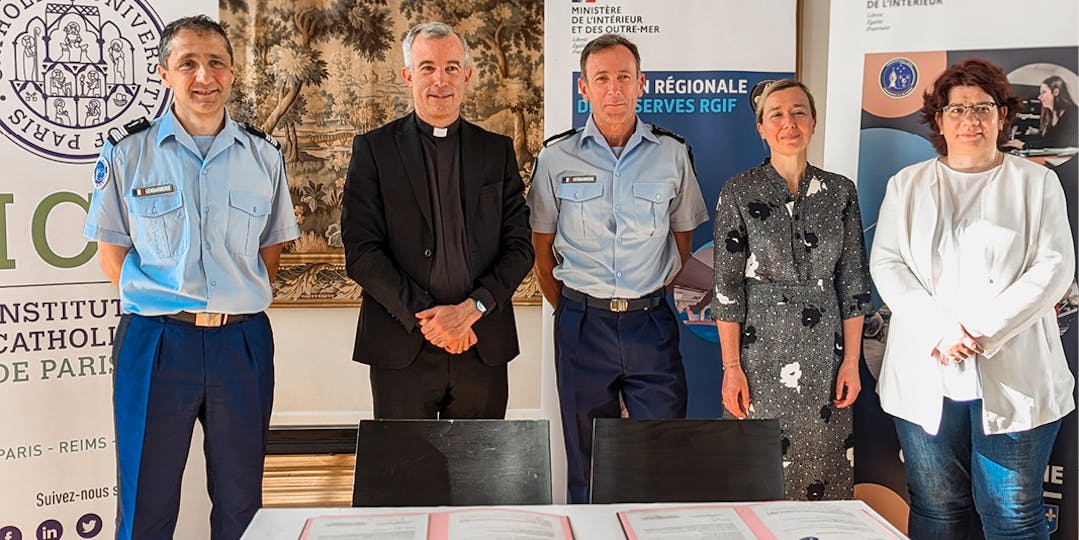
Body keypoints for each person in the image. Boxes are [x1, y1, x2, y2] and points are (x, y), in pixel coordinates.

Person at [82, 15, 299, 540]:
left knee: (242, 500)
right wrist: (166, 304)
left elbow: (270, 251)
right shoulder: (128, 153)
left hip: (241, 343)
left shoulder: (263, 156)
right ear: (164, 74)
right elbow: (112, 253)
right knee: (146, 499)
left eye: (217, 62)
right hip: (157, 342)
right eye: (188, 63)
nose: (205, 75)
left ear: (232, 72)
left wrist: (229, 302)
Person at [870, 58, 1075, 539]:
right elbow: (888, 265)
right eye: (957, 109)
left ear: (1002, 115)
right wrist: (943, 331)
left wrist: (978, 333)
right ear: (938, 119)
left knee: (1012, 514)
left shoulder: (1037, 182)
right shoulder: (908, 185)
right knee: (936, 509)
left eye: (983, 107)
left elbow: (1053, 268)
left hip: (1014, 375)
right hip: (927, 372)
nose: (971, 120)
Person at [527, 33, 709, 504]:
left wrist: (647, 296)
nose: (614, 90)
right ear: (583, 88)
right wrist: (574, 308)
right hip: (582, 324)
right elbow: (541, 248)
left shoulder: (671, 154)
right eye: (601, 79)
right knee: (586, 462)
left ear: (640, 84)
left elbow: (682, 238)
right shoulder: (555, 157)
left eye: (623, 78)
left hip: (651, 322)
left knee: (662, 452)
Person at [340, 22, 533, 420]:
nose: (439, 80)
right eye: (427, 67)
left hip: (481, 341)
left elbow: (520, 247)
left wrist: (471, 309)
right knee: (406, 477)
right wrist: (434, 319)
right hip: (403, 344)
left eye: (450, 67)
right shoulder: (374, 150)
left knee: (479, 478)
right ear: (409, 75)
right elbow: (361, 252)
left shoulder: (496, 151)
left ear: (467, 75)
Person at [710, 79, 872, 501]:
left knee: (824, 472)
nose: (789, 122)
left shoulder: (840, 192)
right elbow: (727, 289)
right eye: (776, 114)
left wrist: (852, 362)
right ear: (761, 128)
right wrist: (731, 369)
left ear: (813, 122)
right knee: (753, 477)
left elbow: (853, 283)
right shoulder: (739, 191)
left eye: (799, 111)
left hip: (826, 355)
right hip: (758, 355)